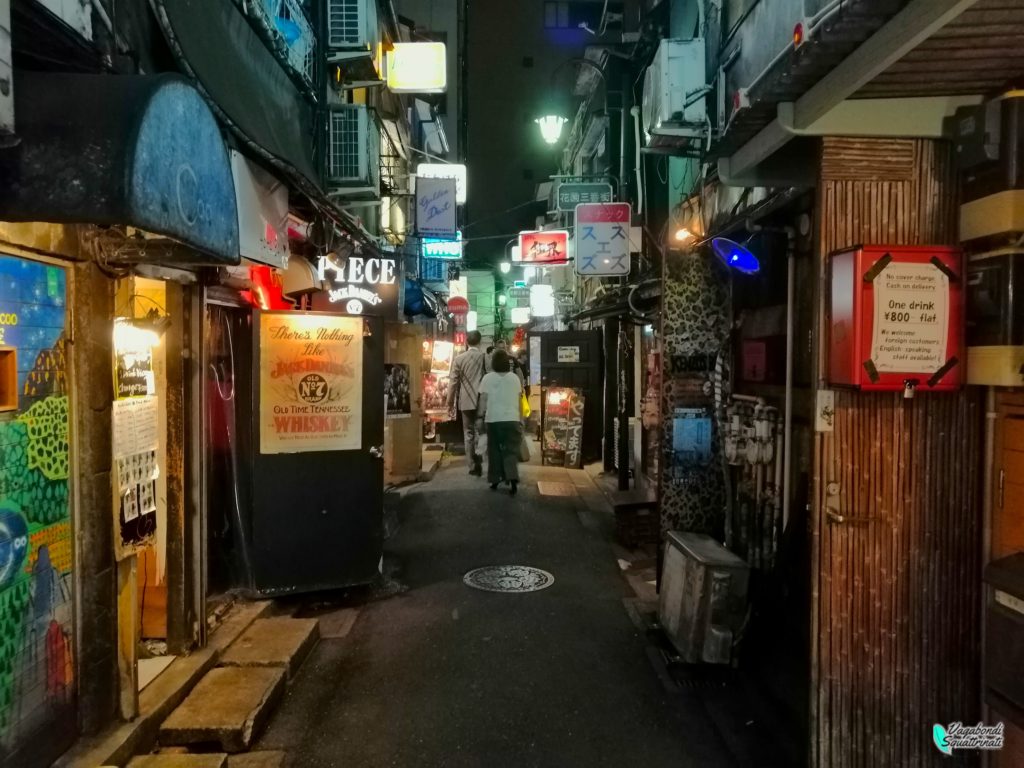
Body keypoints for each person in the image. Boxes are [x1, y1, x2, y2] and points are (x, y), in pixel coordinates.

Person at [477, 349, 524, 494]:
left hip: (494, 420)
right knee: (511, 450)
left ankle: (495, 480)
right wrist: (521, 419)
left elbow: (483, 400)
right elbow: (519, 400)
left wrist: (480, 416)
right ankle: (513, 478)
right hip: (512, 419)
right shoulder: (514, 378)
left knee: (495, 451)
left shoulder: (487, 378)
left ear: (493, 362)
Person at [448, 331, 487, 475]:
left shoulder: (459, 359)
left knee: (468, 433)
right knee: (481, 431)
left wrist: (449, 402)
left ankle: (471, 465)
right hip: (481, 400)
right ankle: (480, 457)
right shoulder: (484, 358)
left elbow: (453, 382)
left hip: (465, 401)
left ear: (467, 342)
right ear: (480, 342)